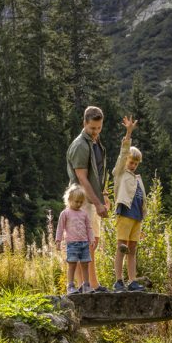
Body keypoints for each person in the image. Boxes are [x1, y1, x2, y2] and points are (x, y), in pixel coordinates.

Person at [65, 106, 109, 291]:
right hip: (81, 201)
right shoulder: (80, 145)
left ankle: (91, 284)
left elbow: (97, 173)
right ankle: (84, 287)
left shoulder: (95, 143)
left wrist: (104, 196)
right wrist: (97, 203)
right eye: (92, 128)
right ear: (84, 123)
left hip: (93, 199)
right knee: (82, 244)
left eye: (99, 128)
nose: (96, 132)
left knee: (93, 242)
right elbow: (82, 178)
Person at [111, 115, 147, 292]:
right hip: (124, 213)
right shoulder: (120, 173)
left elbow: (142, 201)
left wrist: (143, 218)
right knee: (122, 246)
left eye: (135, 163)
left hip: (136, 217)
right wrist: (128, 131)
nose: (132, 165)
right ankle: (119, 280)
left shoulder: (138, 179)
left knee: (132, 249)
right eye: (131, 162)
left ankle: (132, 281)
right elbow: (123, 151)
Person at [55, 185, 93, 294]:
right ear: (69, 200)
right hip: (72, 244)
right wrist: (58, 241)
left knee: (85, 264)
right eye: (76, 201)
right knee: (72, 264)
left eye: (81, 202)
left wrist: (91, 239)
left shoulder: (84, 214)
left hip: (84, 243)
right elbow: (60, 228)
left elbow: (88, 227)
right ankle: (70, 286)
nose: (79, 204)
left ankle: (86, 285)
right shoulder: (65, 213)